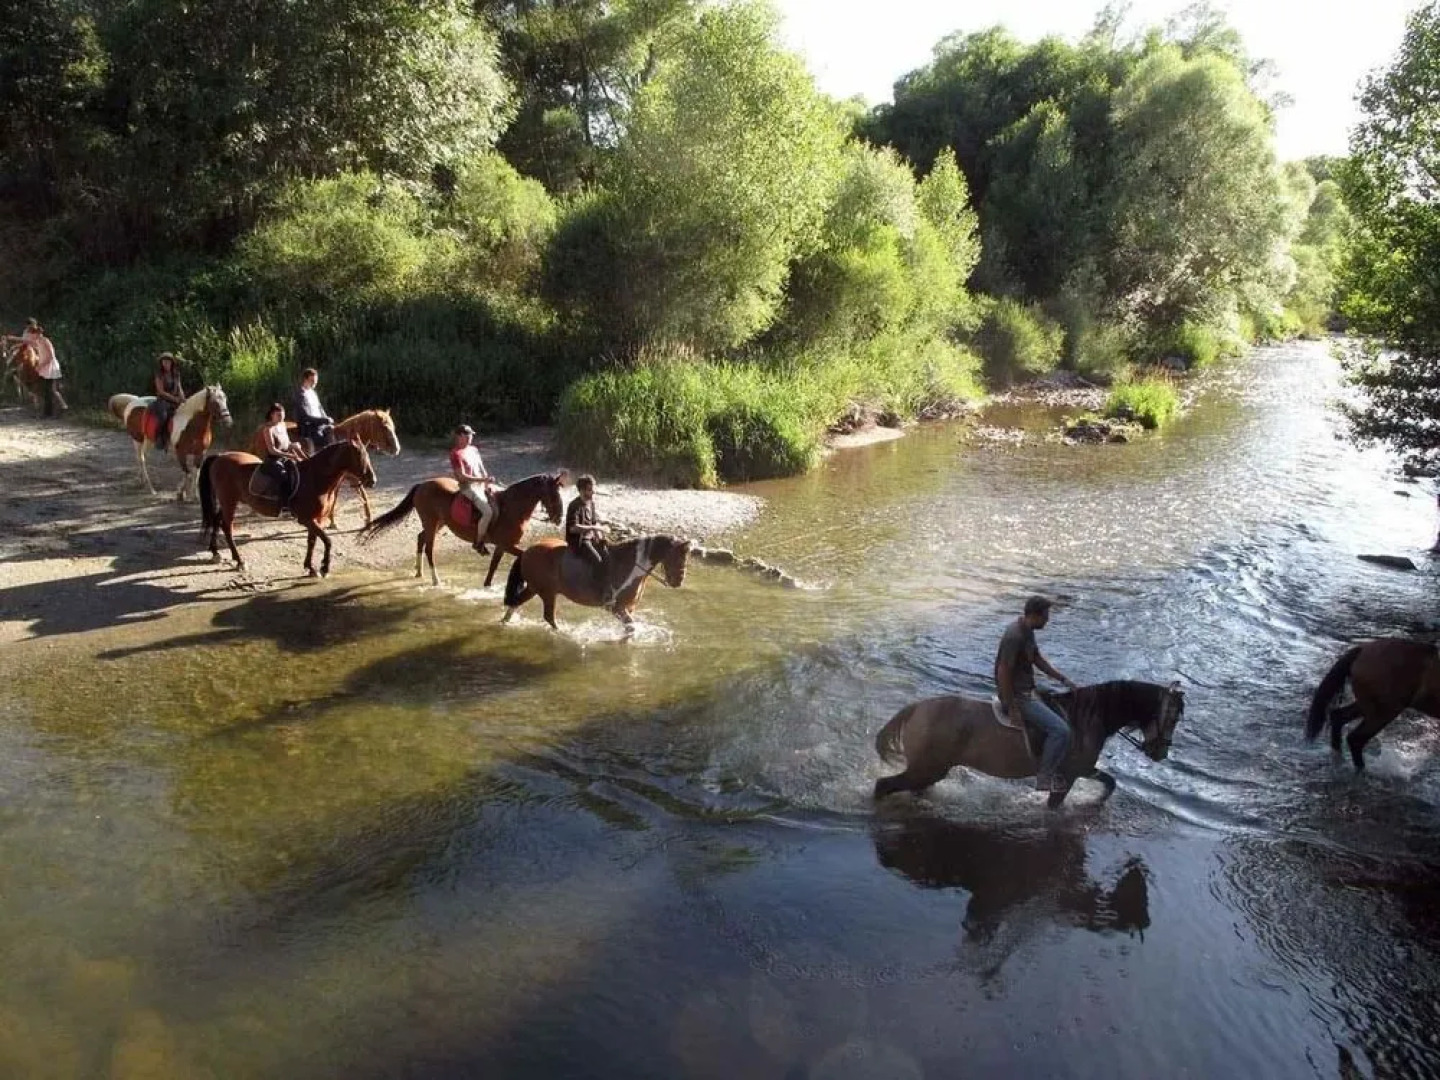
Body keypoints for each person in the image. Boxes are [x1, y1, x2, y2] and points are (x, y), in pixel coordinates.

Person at [994, 595, 1079, 793]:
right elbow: (1003, 671)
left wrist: (1063, 680)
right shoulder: (1014, 636)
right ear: (1035, 615)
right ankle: (1044, 777)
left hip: (1028, 688)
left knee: (1060, 702)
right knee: (1061, 731)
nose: (1048, 620)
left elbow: (1037, 659)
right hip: (1019, 696)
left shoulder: (1027, 631)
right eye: (1046, 616)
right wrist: (1012, 706)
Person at [566, 475, 616, 606]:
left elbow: (594, 522)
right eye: (590, 490)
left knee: (608, 555)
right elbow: (573, 528)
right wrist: (594, 528)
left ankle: (608, 587)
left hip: (591, 538)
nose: (593, 492)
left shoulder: (591, 503)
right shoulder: (574, 505)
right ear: (582, 490)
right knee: (597, 560)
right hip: (579, 541)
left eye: (593, 489)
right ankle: (598, 592)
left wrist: (599, 534)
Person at [449, 424, 498, 554]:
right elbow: (462, 476)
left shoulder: (474, 450)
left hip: (481, 484)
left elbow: (481, 468)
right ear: (460, 436)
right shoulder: (456, 454)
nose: (471, 437)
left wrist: (487, 482)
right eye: (469, 435)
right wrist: (483, 480)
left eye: (471, 435)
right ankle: (478, 542)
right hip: (468, 488)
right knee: (487, 512)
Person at [5, 319, 65, 416]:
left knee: (51, 390)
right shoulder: (37, 340)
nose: (31, 336)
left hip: (49, 366)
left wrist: (40, 365)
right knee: (46, 390)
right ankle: (47, 412)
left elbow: (50, 356)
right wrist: (13, 341)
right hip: (44, 365)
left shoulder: (44, 341)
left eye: (33, 334)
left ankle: (61, 407)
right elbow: (26, 341)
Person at [261, 403, 303, 511]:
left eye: (283, 415)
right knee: (283, 476)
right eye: (278, 415)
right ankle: (284, 505)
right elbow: (272, 450)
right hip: (273, 460)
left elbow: (287, 443)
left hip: (285, 457)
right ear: (272, 415)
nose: (281, 417)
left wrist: (294, 446)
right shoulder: (268, 429)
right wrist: (290, 455)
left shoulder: (283, 425)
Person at [150, 352, 185, 451]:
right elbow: (161, 391)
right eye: (164, 362)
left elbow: (179, 388)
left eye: (168, 361)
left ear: (171, 363)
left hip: (175, 400)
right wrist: (175, 399)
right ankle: (158, 437)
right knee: (163, 416)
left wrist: (183, 398)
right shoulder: (159, 374)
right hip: (163, 400)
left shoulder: (176, 374)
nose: (166, 363)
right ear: (161, 363)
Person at [295, 367, 334, 451]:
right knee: (323, 441)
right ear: (305, 379)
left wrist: (326, 419)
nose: (314, 383)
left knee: (334, 431)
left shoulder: (313, 393)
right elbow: (305, 416)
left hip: (319, 424)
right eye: (312, 381)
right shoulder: (300, 395)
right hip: (308, 427)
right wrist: (324, 420)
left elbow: (320, 408)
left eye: (316, 381)